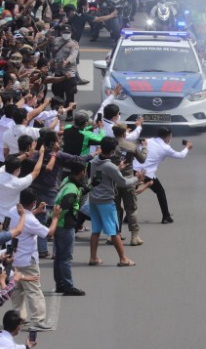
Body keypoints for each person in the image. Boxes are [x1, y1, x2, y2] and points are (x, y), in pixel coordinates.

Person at [8, 189, 61, 332]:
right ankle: (38, 320)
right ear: (32, 202)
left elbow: (23, 218)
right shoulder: (30, 220)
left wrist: (36, 211)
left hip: (11, 258)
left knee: (16, 289)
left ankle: (19, 318)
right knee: (34, 290)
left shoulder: (13, 210)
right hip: (27, 260)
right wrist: (55, 217)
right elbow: (48, 233)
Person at [88, 137, 139, 267]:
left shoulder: (95, 161)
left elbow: (101, 175)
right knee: (114, 231)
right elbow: (123, 182)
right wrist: (136, 178)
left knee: (96, 230)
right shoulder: (109, 166)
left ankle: (93, 257)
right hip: (105, 201)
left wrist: (117, 168)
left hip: (94, 199)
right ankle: (123, 259)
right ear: (112, 150)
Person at [133, 128, 191, 224]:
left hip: (134, 169)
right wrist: (187, 147)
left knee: (131, 194)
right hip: (146, 174)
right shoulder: (165, 148)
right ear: (168, 136)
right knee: (160, 192)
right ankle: (166, 216)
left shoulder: (148, 140)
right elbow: (180, 155)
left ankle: (128, 216)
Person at [52, 162, 87, 296]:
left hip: (59, 224)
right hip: (65, 225)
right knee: (66, 257)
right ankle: (68, 285)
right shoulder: (72, 190)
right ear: (81, 172)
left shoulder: (67, 181)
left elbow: (80, 191)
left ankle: (60, 284)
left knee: (59, 256)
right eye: (84, 171)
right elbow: (65, 206)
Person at [112, 124, 147, 245]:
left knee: (115, 209)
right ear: (124, 133)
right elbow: (142, 159)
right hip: (128, 181)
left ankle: (115, 234)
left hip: (113, 182)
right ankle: (134, 236)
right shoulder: (131, 146)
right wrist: (144, 148)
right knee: (131, 209)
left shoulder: (109, 145)